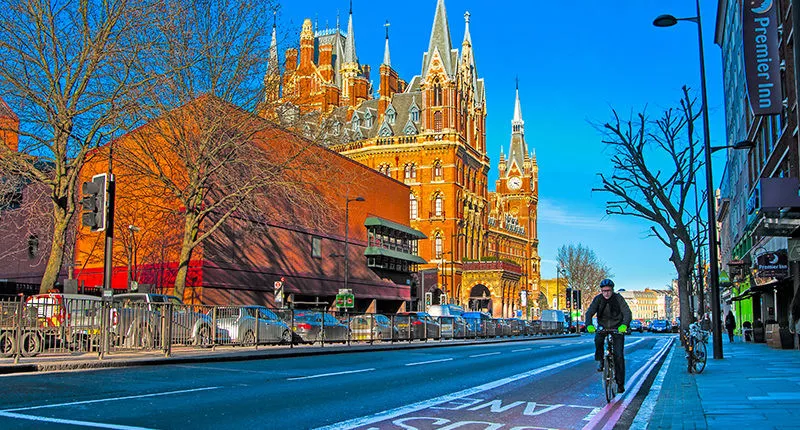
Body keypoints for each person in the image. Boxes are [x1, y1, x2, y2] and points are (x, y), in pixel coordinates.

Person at [585, 278, 632, 393]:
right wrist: (589, 325)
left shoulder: (618, 299)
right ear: (601, 291)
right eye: (604, 291)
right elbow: (589, 313)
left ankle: (620, 383)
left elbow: (627, 313)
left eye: (608, 291)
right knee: (598, 340)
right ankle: (601, 359)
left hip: (618, 327)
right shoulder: (598, 299)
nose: (606, 293)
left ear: (612, 290)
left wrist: (624, 325)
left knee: (619, 356)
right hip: (603, 326)